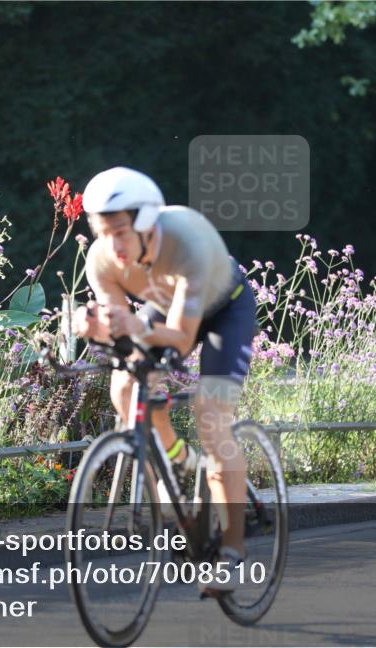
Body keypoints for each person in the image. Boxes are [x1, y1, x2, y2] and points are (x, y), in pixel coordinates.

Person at [71, 166, 256, 589]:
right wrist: (99, 326)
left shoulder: (186, 241)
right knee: (125, 386)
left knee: (212, 418)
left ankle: (232, 551)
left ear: (146, 222)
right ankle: (172, 481)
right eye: (103, 232)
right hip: (165, 308)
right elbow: (125, 333)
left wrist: (132, 327)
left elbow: (180, 337)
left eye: (120, 231)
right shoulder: (102, 260)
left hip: (223, 311)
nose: (111, 244)